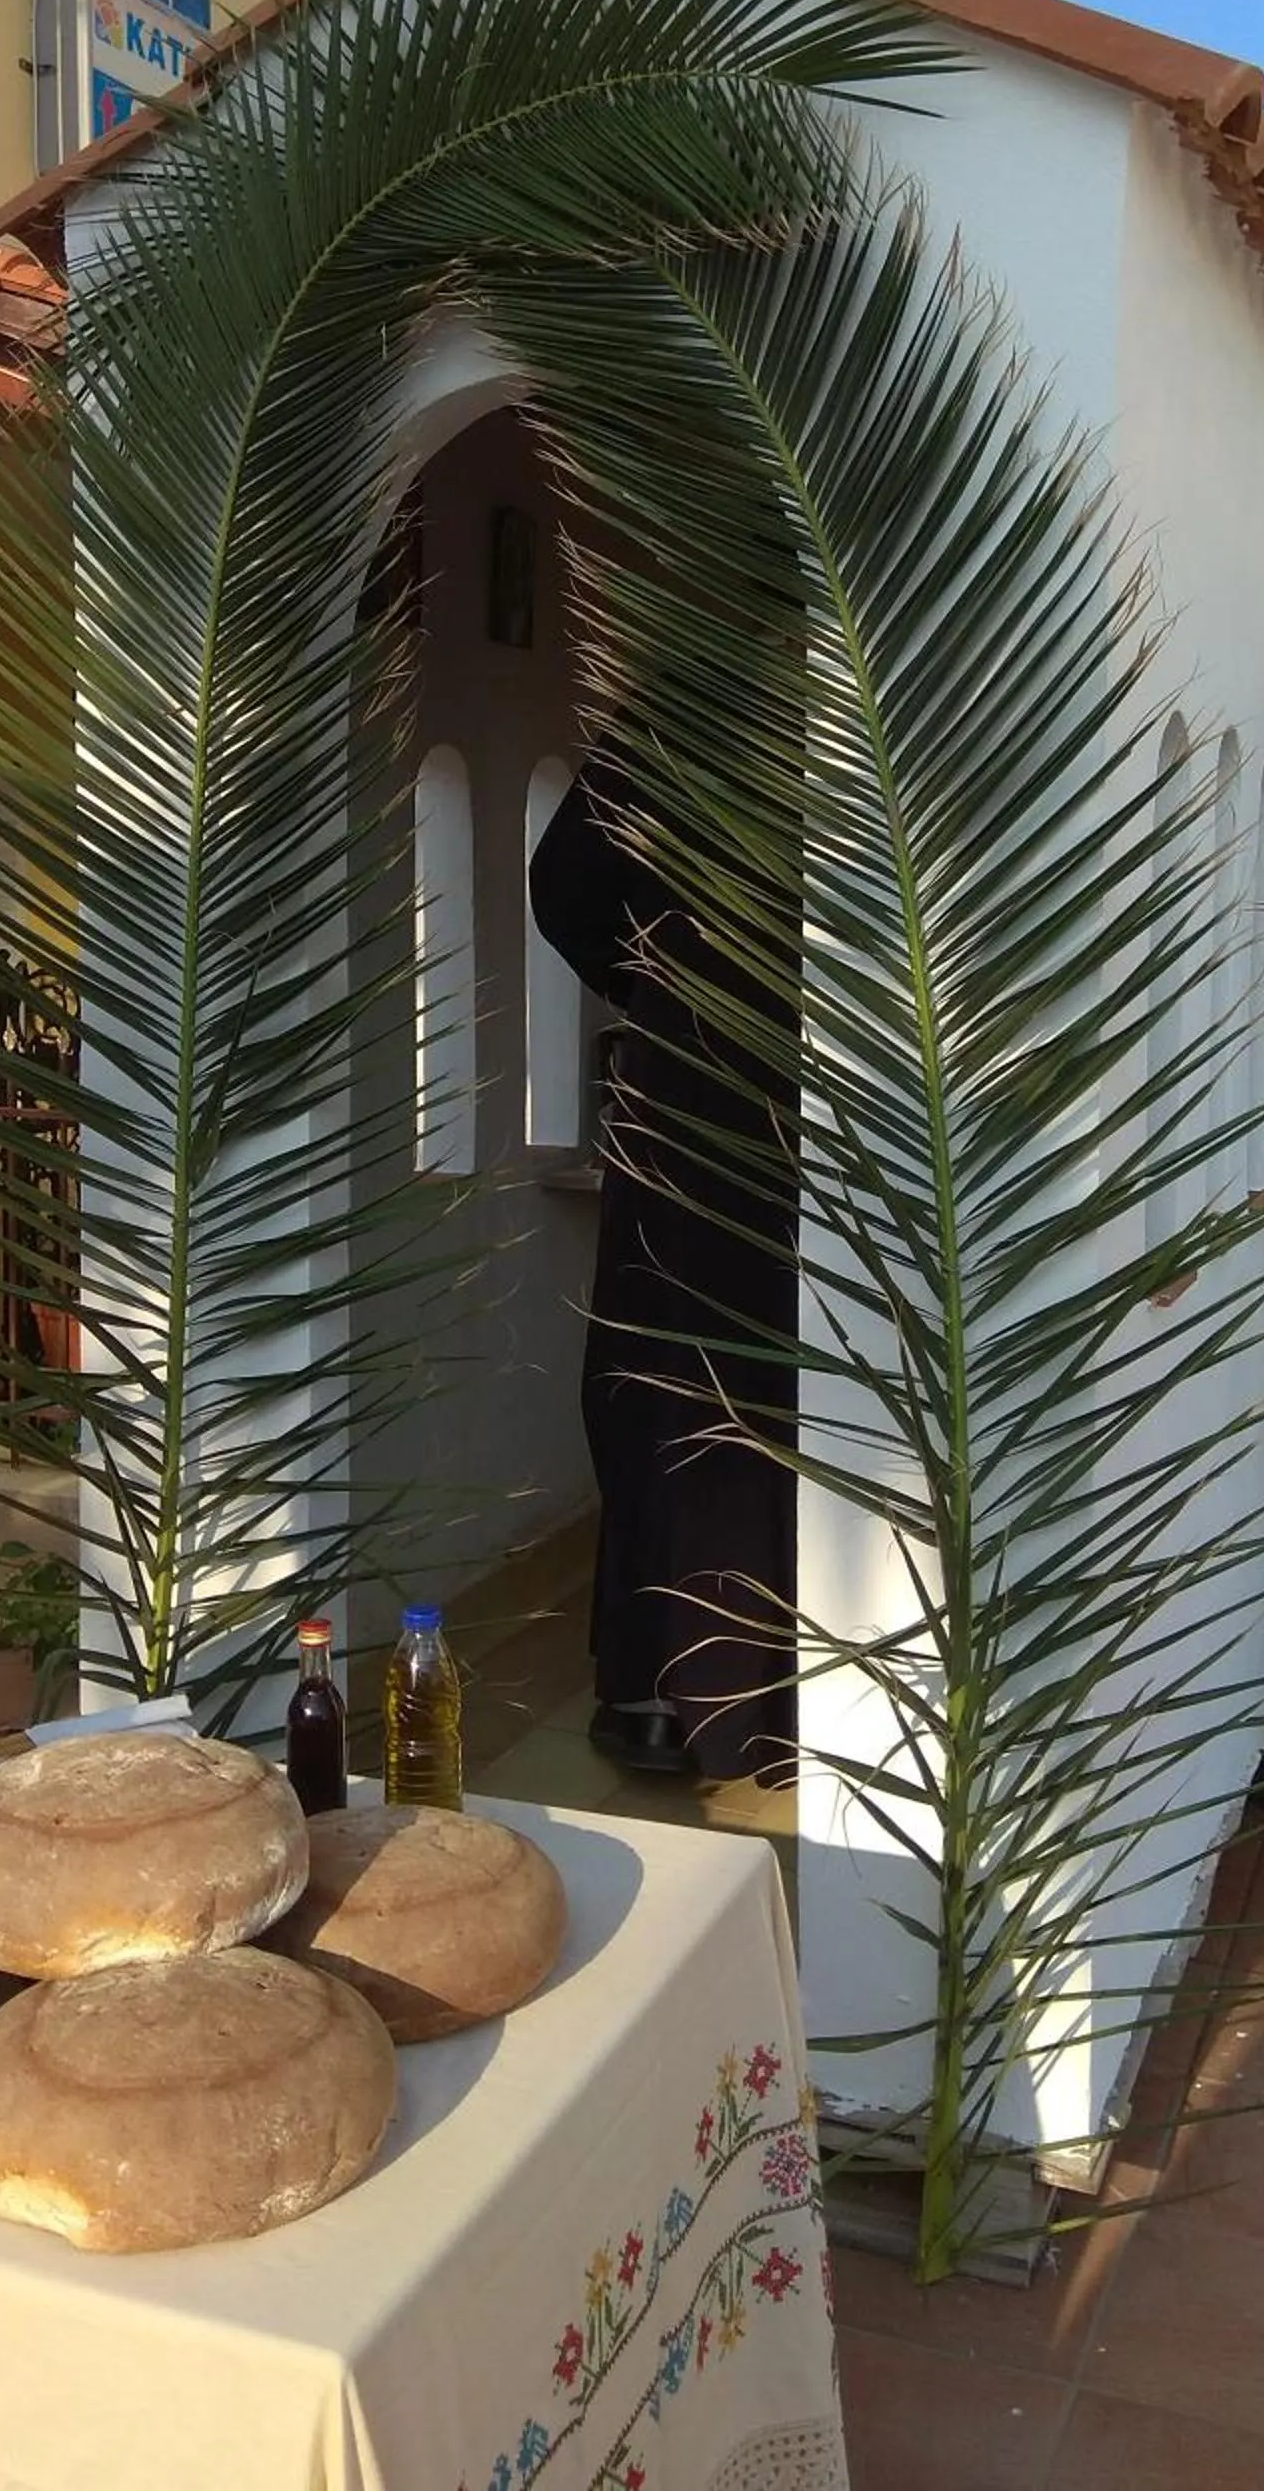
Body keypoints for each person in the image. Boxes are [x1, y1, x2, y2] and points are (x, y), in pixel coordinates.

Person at [528, 746, 797, 1783]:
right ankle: (752, 1706)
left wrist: (654, 973)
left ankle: (662, 1697)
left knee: (666, 1389)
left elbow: (564, 893)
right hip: (780, 1103)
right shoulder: (828, 722)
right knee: (738, 1395)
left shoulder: (663, 737)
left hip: (684, 1087)